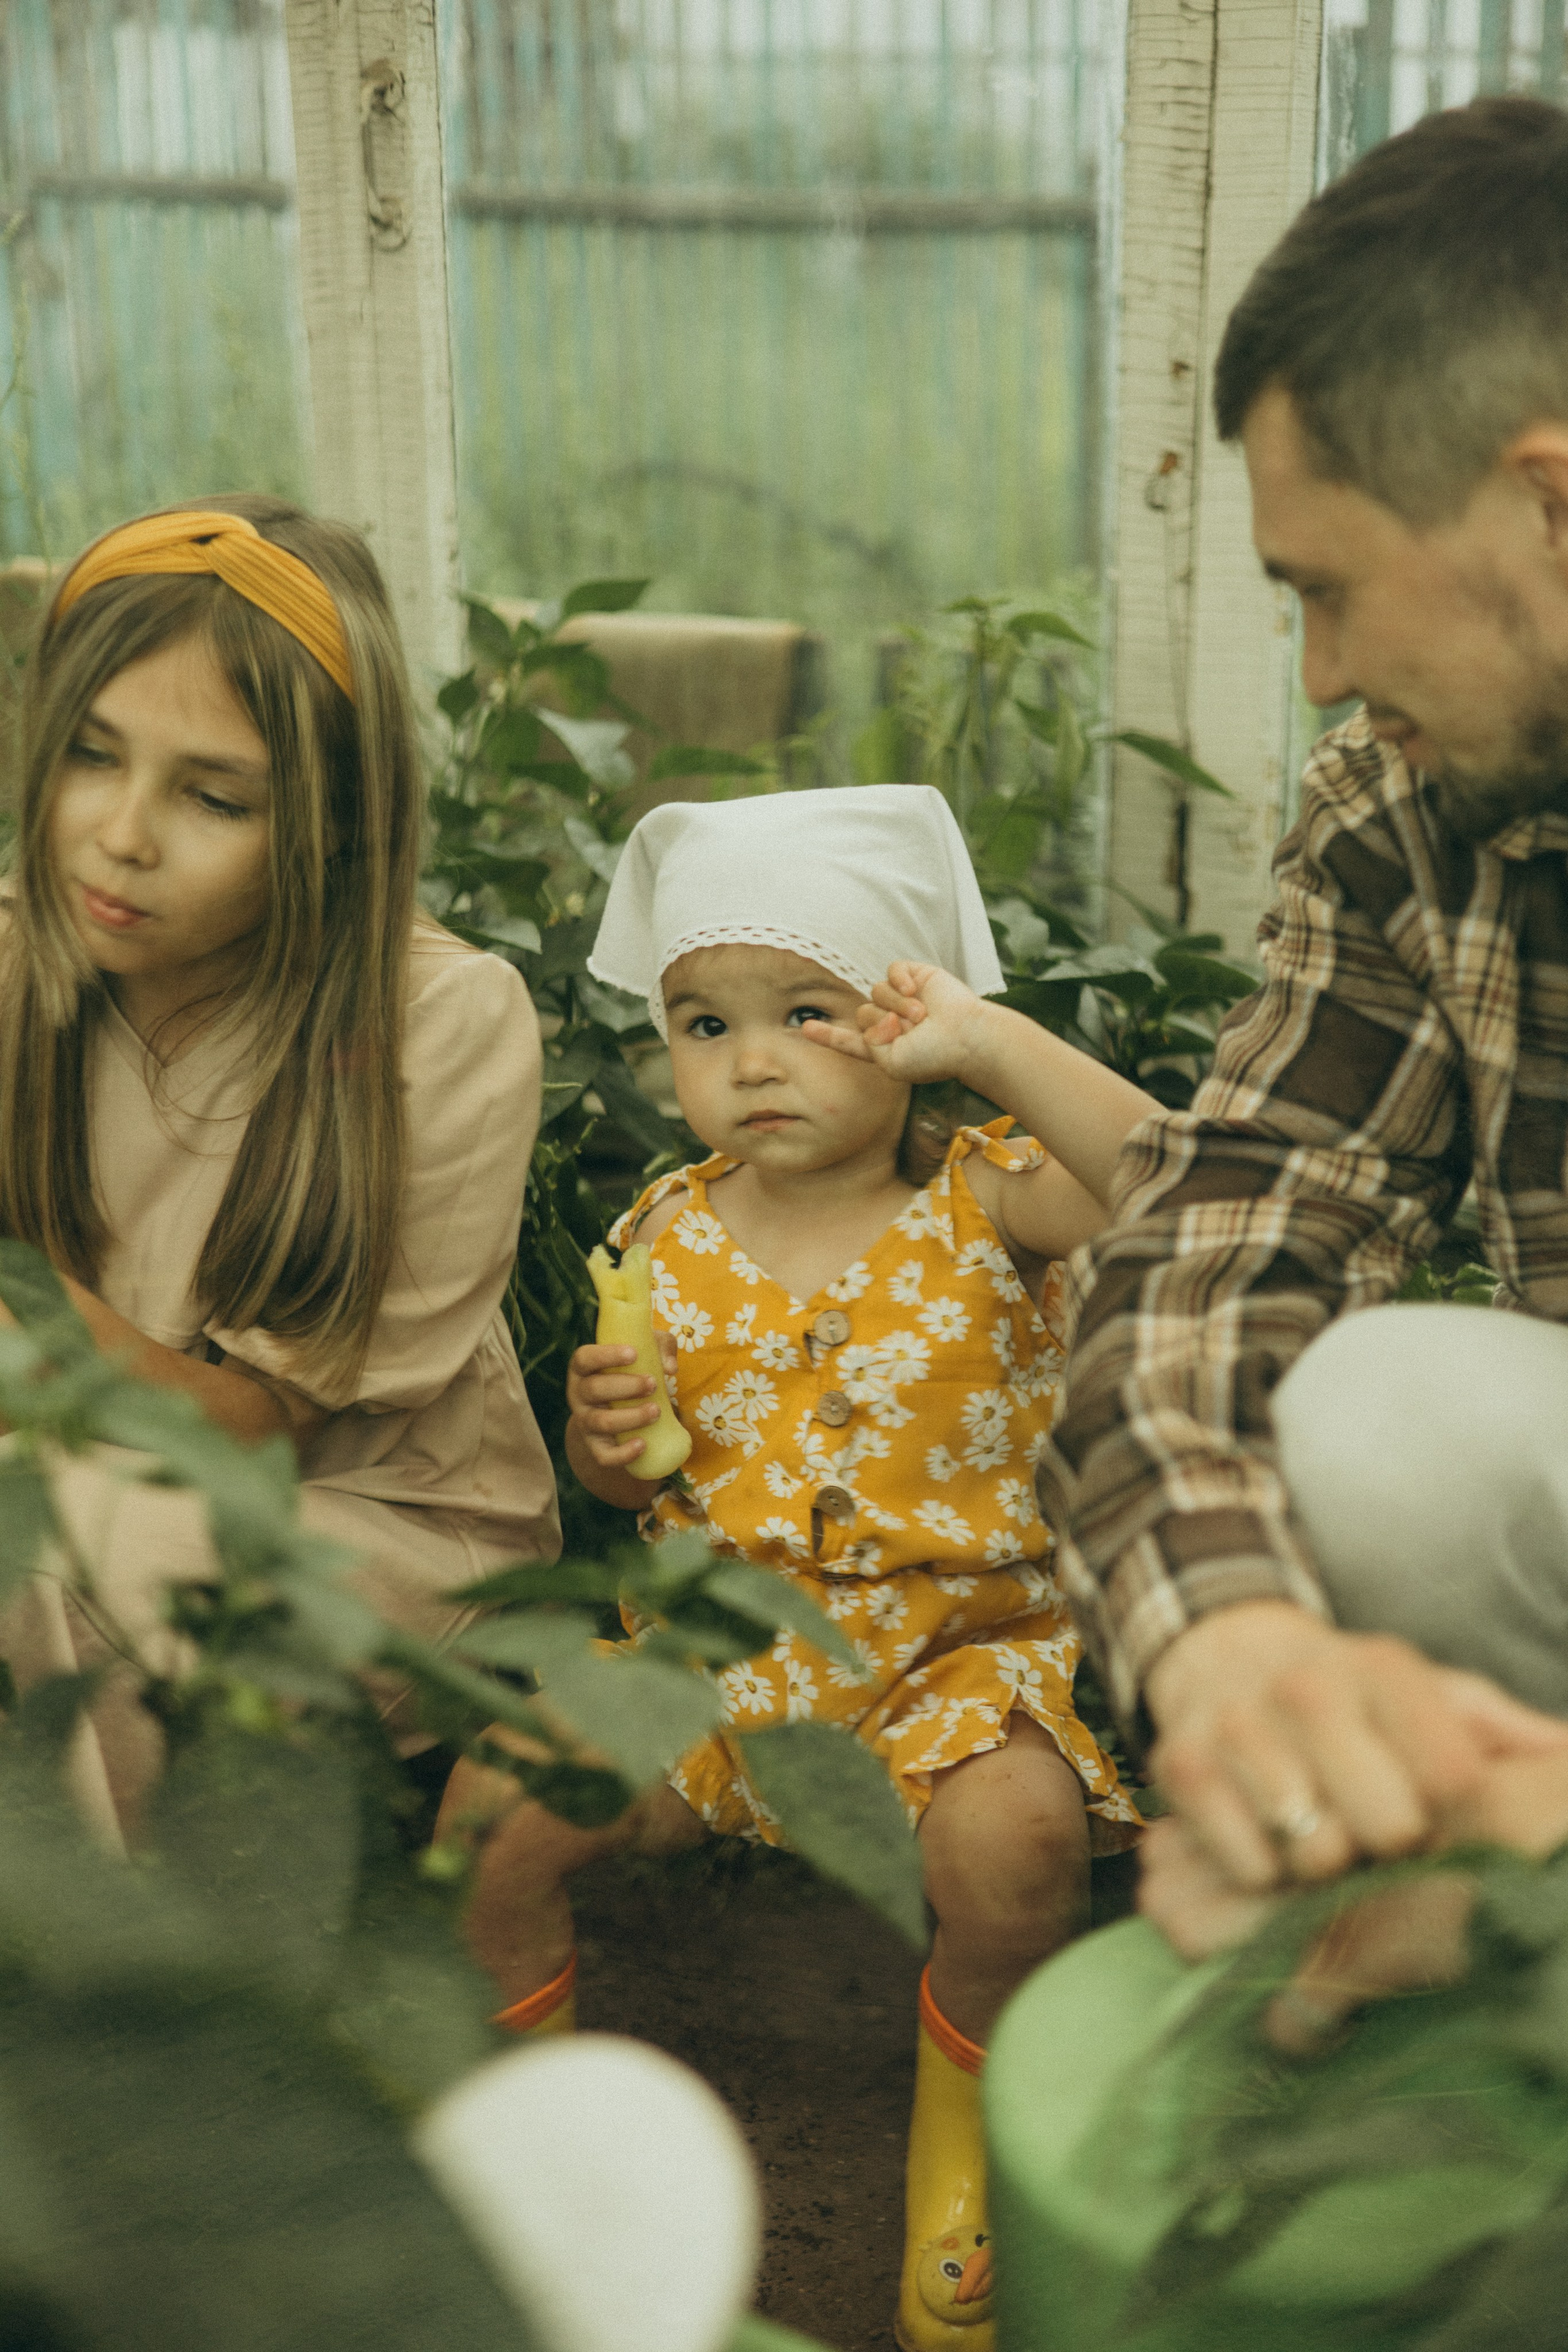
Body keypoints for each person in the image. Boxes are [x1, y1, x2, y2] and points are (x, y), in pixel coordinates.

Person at [439, 783, 1150, 2352]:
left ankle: (966, 2175)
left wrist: (987, 1042)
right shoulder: (661, 1231)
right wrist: (609, 1442)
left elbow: (1168, 1178)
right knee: (495, 1807)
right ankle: (531, 2177)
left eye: (806, 1012)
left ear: (904, 1025)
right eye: (700, 1022)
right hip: (708, 1668)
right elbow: (630, 1483)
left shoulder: (994, 1199)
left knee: (1016, 1846)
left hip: (946, 1670)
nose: (746, 1061)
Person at [1036, 94, 1568, 1967]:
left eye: (1326, 590)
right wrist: (1234, 1648)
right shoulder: (1408, 810)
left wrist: (1514, 1822)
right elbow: (1204, 1249)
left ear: (1552, 499)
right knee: (1383, 1426)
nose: (1323, 673)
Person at [0, 497, 559, 1847]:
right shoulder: (21, 956)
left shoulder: (434, 1025)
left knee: (66, 1533)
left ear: (327, 821)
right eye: (91, 756)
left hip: (363, 1522)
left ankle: (138, 1990)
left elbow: (244, 1434)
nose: (122, 835)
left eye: (212, 796)